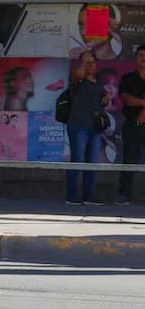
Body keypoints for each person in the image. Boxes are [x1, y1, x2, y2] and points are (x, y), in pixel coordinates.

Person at [65, 50, 109, 206]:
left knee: (91, 161)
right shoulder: (77, 79)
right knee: (77, 159)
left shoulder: (99, 83)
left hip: (95, 127)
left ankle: (89, 194)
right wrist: (83, 62)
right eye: (86, 62)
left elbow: (102, 103)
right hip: (78, 126)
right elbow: (77, 75)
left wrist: (105, 100)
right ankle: (72, 195)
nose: (90, 65)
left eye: (92, 62)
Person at [116, 45, 145, 205]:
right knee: (129, 159)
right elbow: (126, 98)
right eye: (141, 55)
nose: (143, 58)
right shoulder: (128, 78)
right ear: (136, 58)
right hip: (132, 124)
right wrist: (143, 104)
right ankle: (123, 194)